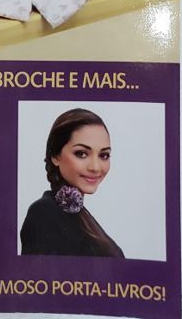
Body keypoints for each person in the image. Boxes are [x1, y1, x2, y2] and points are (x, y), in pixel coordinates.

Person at [20, 108, 124, 257]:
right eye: (81, 154)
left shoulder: (79, 214)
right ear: (55, 156)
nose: (95, 167)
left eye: (104, 155)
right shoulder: (44, 212)